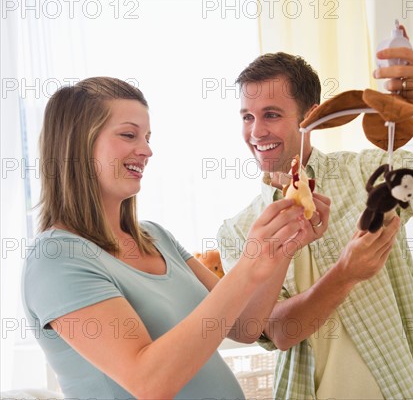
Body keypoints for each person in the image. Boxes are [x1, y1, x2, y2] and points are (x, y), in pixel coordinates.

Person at [21, 77, 330, 399]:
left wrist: (281, 247)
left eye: (147, 137)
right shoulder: (56, 258)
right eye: (129, 135)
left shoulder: (155, 237)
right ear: (77, 145)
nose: (146, 150)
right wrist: (249, 263)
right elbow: (150, 383)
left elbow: (245, 326)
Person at [217, 40, 413, 398]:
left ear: (309, 118)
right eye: (247, 117)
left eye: (272, 114)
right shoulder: (238, 232)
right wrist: (346, 274)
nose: (256, 131)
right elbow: (279, 331)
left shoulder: (368, 173)